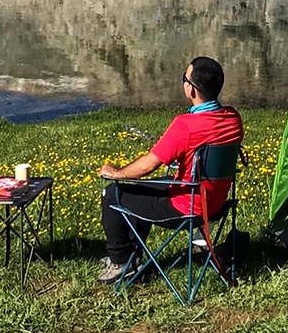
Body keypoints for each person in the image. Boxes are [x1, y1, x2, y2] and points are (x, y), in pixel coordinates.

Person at [96, 55, 243, 284]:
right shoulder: (233, 118)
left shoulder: (185, 125)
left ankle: (121, 261)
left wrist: (117, 174)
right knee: (142, 191)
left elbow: (149, 165)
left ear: (191, 89)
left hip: (186, 207)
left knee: (113, 194)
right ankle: (132, 256)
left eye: (184, 78)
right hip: (214, 203)